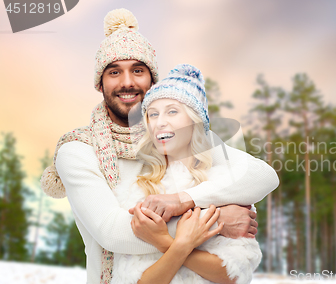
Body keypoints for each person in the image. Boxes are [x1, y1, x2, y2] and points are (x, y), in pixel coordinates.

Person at [41, 9, 279, 284]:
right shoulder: (79, 150)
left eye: (138, 71)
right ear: (100, 83)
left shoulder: (179, 138)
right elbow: (113, 232)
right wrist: (218, 220)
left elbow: (262, 175)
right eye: (114, 72)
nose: (127, 82)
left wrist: (182, 201)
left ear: (152, 80)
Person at [110, 64, 268, 284]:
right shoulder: (139, 186)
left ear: (195, 121)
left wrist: (165, 242)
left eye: (172, 111)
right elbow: (135, 279)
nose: (160, 122)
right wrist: (184, 242)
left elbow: (232, 274)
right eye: (153, 114)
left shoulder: (223, 184)